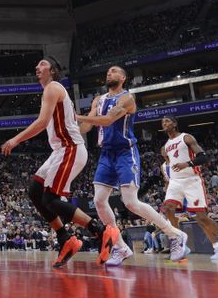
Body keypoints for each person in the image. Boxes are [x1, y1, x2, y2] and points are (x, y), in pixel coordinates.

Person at [1, 57, 118, 268]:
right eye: (37, 65)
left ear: (53, 71)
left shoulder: (53, 88)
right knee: (35, 191)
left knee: (51, 198)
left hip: (70, 148)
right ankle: (65, 238)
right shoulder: (52, 91)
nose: (37, 67)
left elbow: (42, 122)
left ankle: (100, 231)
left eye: (42, 64)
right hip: (60, 150)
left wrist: (16, 139)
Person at [77, 65, 188, 266]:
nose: (109, 73)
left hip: (125, 153)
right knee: (100, 201)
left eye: (114, 71)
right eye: (108, 72)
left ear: (123, 77)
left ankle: (174, 234)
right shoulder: (98, 100)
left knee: (130, 202)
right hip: (106, 153)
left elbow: (108, 120)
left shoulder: (128, 99)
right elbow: (88, 126)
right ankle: (121, 247)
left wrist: (78, 117)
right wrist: (71, 125)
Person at [160, 115, 218, 262]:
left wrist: (187, 164)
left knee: (202, 218)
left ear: (174, 123)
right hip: (175, 181)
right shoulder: (166, 145)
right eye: (162, 122)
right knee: (168, 209)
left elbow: (204, 158)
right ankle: (179, 243)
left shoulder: (186, 138)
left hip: (191, 180)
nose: (164, 123)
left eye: (167, 121)